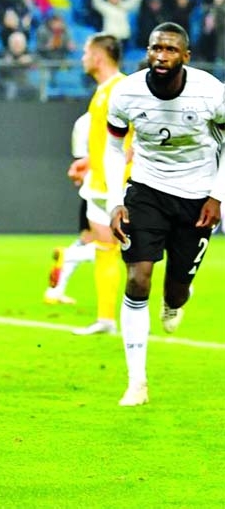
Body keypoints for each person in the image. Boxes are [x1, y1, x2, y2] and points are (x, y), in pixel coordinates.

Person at [105, 22, 225, 407]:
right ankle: (136, 381)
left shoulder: (211, 93)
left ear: (185, 56)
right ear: (147, 51)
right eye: (156, 48)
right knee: (138, 278)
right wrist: (115, 200)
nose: (162, 56)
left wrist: (217, 196)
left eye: (171, 50)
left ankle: (175, 300)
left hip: (197, 196)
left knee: (175, 289)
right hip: (147, 190)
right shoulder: (126, 93)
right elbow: (112, 147)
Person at [51, 34, 130, 338]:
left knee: (130, 250)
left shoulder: (120, 89)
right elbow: (107, 143)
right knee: (105, 249)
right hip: (99, 181)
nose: (82, 58)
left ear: (98, 57)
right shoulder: (102, 92)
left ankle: (177, 288)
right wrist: (89, 163)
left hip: (118, 185)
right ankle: (106, 319)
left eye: (85, 52)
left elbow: (131, 138)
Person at [43, 112, 95, 305]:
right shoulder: (125, 112)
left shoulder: (82, 121)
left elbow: (81, 160)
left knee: (87, 239)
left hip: (91, 189)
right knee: (119, 247)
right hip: (112, 189)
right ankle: (69, 255)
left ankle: (54, 290)